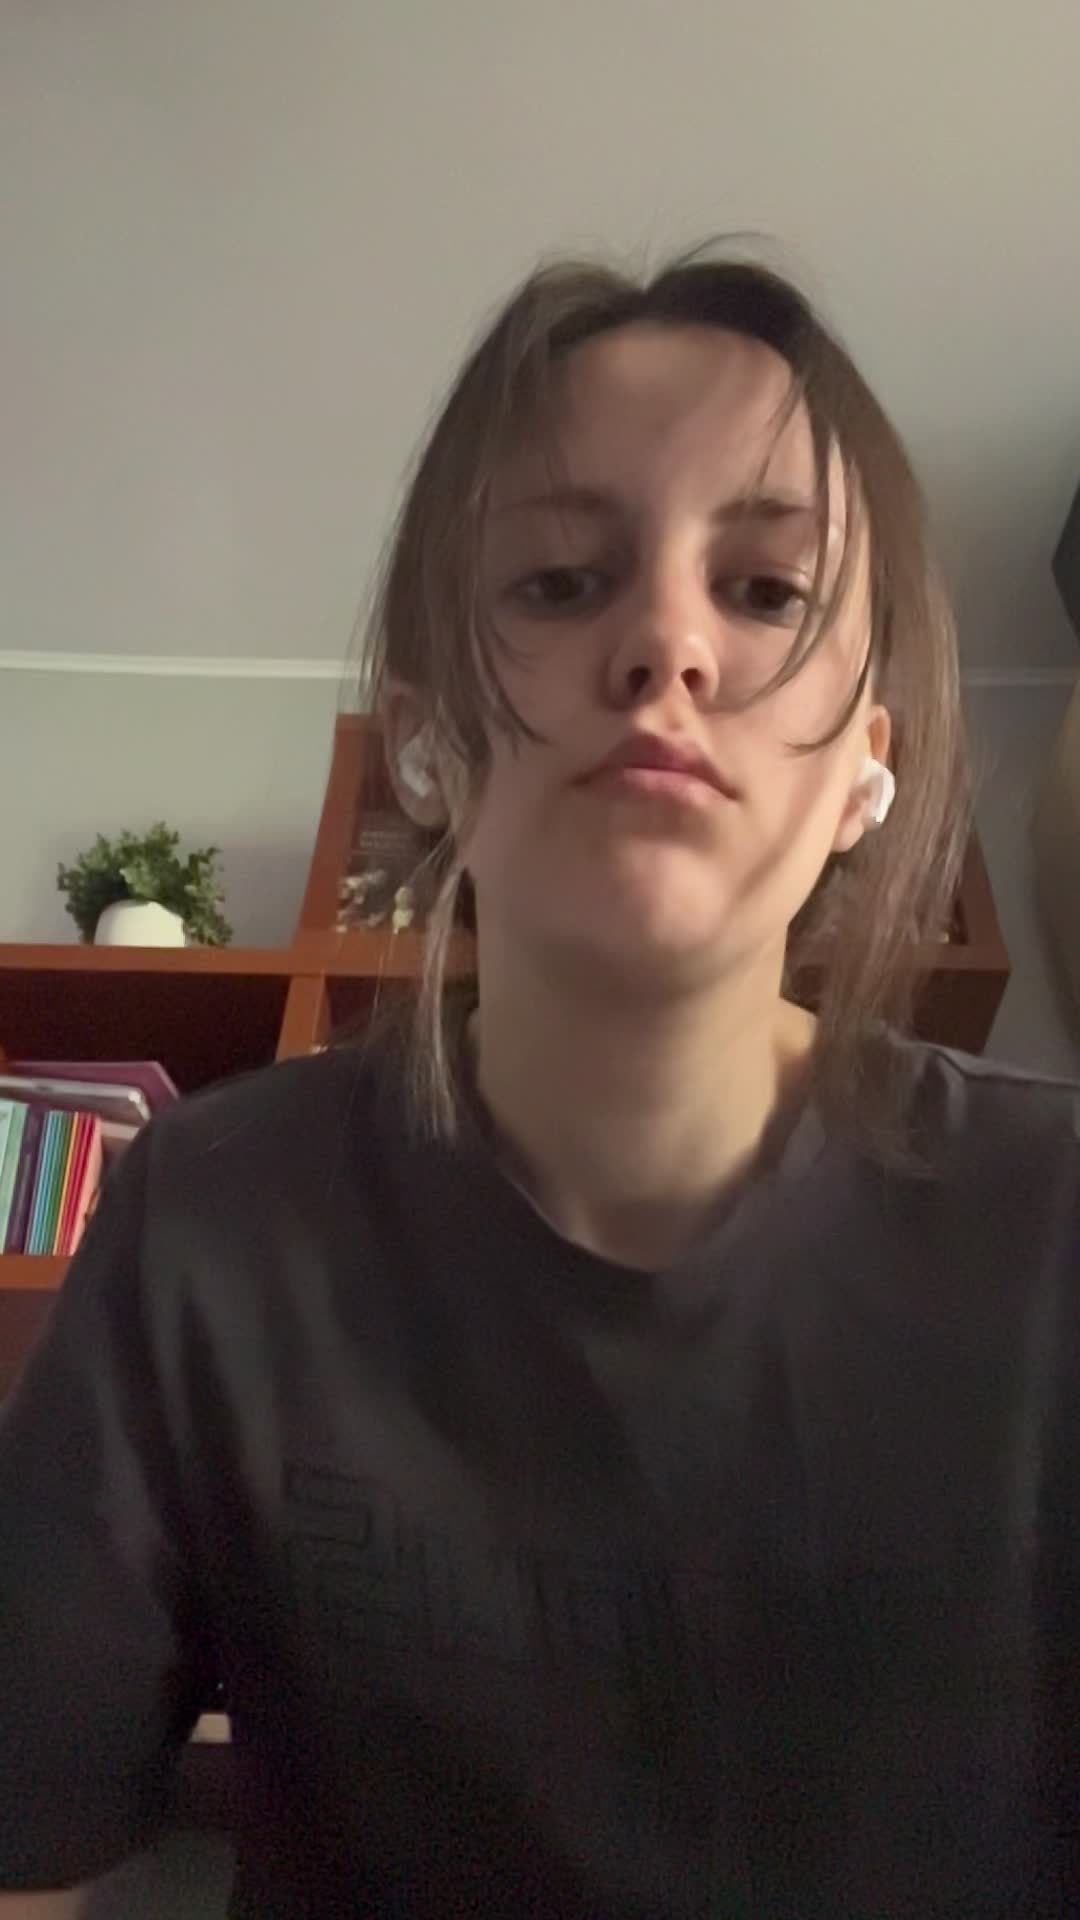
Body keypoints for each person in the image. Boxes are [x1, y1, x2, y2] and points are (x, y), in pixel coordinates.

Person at [1, 247, 1078, 1920]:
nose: (665, 643)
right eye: (564, 581)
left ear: (868, 769)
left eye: (768, 591)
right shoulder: (209, 1224)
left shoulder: (1056, 1227)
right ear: (427, 741)